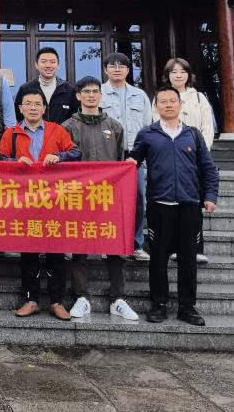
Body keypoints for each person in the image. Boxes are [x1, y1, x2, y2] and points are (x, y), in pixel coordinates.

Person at [129, 86, 219, 326]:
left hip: (189, 205)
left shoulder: (193, 135)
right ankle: (158, 304)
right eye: (163, 101)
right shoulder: (147, 134)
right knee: (158, 258)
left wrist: (210, 196)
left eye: (172, 101)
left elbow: (208, 168)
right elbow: (133, 162)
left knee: (188, 258)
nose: (168, 105)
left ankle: (187, 307)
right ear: (156, 106)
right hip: (159, 205)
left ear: (180, 105)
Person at [61, 76, 139, 321]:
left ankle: (118, 298)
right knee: (79, 247)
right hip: (78, 196)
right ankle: (81, 297)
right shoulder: (67, 127)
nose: (91, 95)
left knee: (115, 246)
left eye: (95, 91)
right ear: (78, 96)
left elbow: (121, 160)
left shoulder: (114, 126)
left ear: (101, 95)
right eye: (86, 92)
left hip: (109, 195)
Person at [0, 87, 81, 321]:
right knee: (29, 254)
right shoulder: (11, 133)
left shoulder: (57, 130)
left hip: (54, 200)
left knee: (56, 253)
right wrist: (15, 162)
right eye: (28, 104)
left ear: (44, 108)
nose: (33, 108)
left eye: (37, 104)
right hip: (24, 201)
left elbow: (76, 153)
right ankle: (31, 300)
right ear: (20, 108)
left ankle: (57, 301)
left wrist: (60, 156)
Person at [100, 52, 153, 261]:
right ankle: (107, 243)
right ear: (105, 70)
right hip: (107, 155)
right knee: (107, 199)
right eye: (112, 66)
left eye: (121, 66)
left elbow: (148, 127)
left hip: (134, 155)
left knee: (138, 198)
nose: (117, 69)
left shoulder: (140, 95)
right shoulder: (98, 93)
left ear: (128, 71)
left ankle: (136, 243)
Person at [162, 57, 216, 264]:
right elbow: (154, 125)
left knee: (193, 204)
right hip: (169, 157)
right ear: (167, 76)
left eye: (182, 71)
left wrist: (202, 151)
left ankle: (196, 248)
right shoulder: (161, 97)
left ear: (189, 75)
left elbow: (207, 127)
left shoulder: (199, 98)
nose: (178, 75)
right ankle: (175, 247)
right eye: (174, 72)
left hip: (194, 157)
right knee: (172, 204)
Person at [14, 46, 78, 125]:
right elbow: (18, 115)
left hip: (61, 132)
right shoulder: (25, 89)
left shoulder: (69, 90)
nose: (48, 65)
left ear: (58, 65)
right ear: (36, 65)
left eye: (52, 62)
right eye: (43, 62)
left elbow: (75, 117)